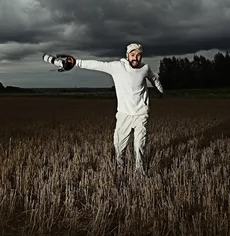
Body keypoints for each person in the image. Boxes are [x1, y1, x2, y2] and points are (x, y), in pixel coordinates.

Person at [42, 43, 164, 174]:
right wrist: (77, 62)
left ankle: (140, 172)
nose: (136, 58)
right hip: (124, 114)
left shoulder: (145, 68)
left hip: (141, 113)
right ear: (127, 55)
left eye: (139, 55)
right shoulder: (117, 67)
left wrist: (161, 90)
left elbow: (154, 78)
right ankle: (120, 168)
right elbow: (97, 64)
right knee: (119, 146)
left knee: (140, 144)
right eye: (133, 55)